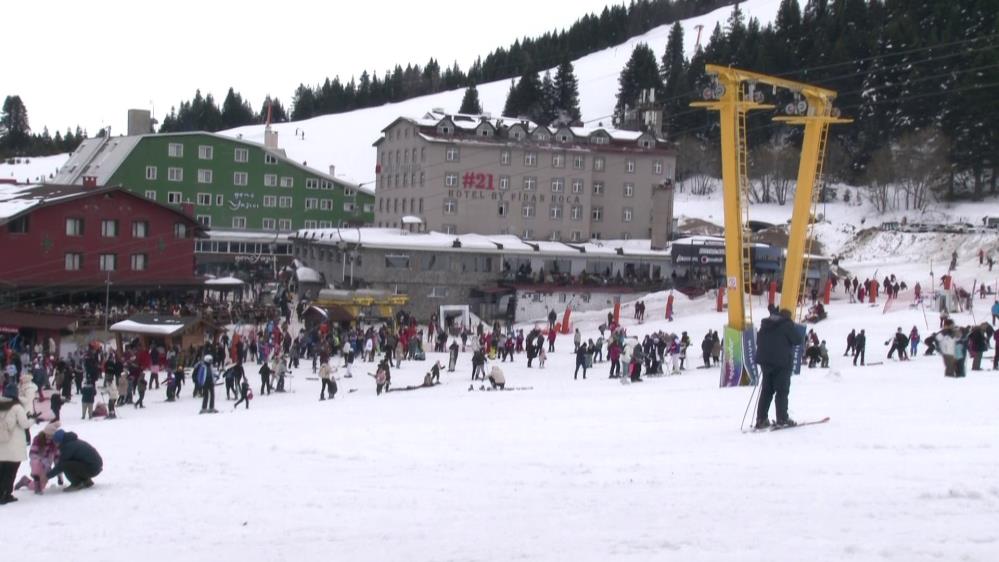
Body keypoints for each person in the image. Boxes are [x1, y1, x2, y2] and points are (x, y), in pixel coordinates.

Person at [755, 307, 804, 429]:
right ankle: (782, 418)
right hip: (782, 363)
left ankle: (761, 419)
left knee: (766, 391)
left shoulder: (765, 324)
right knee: (782, 391)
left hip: (765, 363)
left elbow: (759, 340)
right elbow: (798, 339)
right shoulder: (787, 325)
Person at [0, 382, 31, 504]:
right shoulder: (17, 407)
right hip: (13, 445)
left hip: (1, 444)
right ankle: (6, 494)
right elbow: (24, 424)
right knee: (11, 471)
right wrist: (32, 419)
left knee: (2, 470)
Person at [15, 422, 62, 494]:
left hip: (47, 467)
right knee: (35, 462)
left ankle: (25, 481)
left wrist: (59, 476)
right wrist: (43, 461)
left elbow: (57, 459)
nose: (48, 437)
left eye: (51, 435)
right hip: (37, 463)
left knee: (42, 486)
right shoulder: (38, 439)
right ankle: (36, 481)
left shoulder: (55, 443)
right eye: (47, 434)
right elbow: (32, 454)